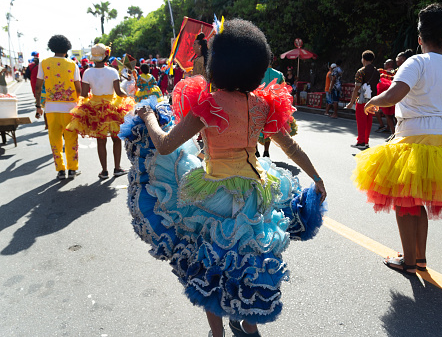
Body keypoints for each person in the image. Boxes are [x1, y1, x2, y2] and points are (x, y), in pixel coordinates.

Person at [124, 18, 327, 337]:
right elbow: (291, 147)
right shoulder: (262, 105)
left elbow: (164, 146)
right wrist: (317, 178)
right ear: (260, 69)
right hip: (255, 191)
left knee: (211, 263)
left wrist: (149, 117)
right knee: (255, 255)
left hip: (212, 193)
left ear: (216, 65)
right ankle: (248, 323)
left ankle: (217, 333)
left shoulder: (208, 105)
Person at [352, 3, 442, 275]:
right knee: (417, 199)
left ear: (419, 40)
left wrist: (373, 101)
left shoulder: (416, 61)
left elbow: (395, 94)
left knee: (406, 201)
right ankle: (419, 258)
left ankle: (408, 261)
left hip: (414, 138)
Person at [66, 44, 134, 179]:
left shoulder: (87, 72)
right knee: (116, 139)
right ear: (106, 56)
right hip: (113, 106)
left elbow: (84, 94)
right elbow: (119, 92)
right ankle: (117, 168)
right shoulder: (113, 71)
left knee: (101, 141)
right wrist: (129, 97)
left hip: (95, 107)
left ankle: (104, 171)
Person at [34, 35, 81, 180]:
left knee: (55, 140)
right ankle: (72, 169)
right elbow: (78, 88)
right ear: (67, 48)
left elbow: (38, 87)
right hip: (69, 108)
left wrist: (38, 106)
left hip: (51, 108)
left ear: (52, 47)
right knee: (71, 139)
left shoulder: (44, 63)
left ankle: (60, 170)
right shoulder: (72, 64)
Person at [346, 50, 380, 150]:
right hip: (373, 99)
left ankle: (360, 141)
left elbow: (356, 88)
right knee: (369, 121)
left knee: (361, 121)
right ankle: (366, 141)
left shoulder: (361, 71)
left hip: (362, 100)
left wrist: (351, 102)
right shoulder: (377, 72)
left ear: (363, 59)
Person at [376, 59, 397, 136]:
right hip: (395, 95)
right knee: (394, 115)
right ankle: (392, 130)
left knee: (388, 115)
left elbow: (385, 83)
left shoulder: (393, 72)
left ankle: (393, 132)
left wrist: (382, 74)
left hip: (388, 95)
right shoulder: (394, 71)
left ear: (388, 64)